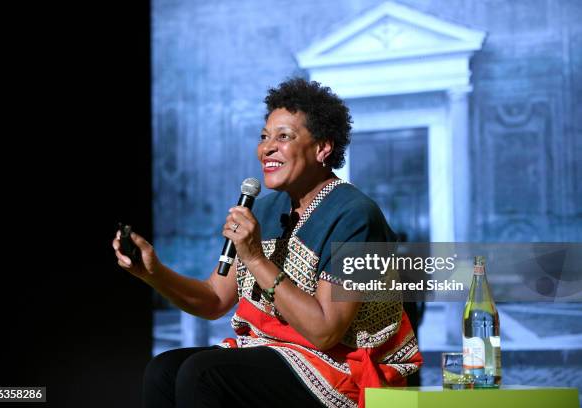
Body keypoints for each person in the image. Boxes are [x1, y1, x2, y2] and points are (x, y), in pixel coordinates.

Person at [112, 78, 422, 408]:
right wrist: (153, 273)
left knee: (203, 374)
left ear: (322, 148)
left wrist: (257, 258)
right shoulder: (264, 208)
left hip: (340, 368)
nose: (266, 148)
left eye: (283, 137)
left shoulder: (356, 215)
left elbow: (325, 332)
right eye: (264, 137)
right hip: (274, 351)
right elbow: (215, 299)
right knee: (163, 369)